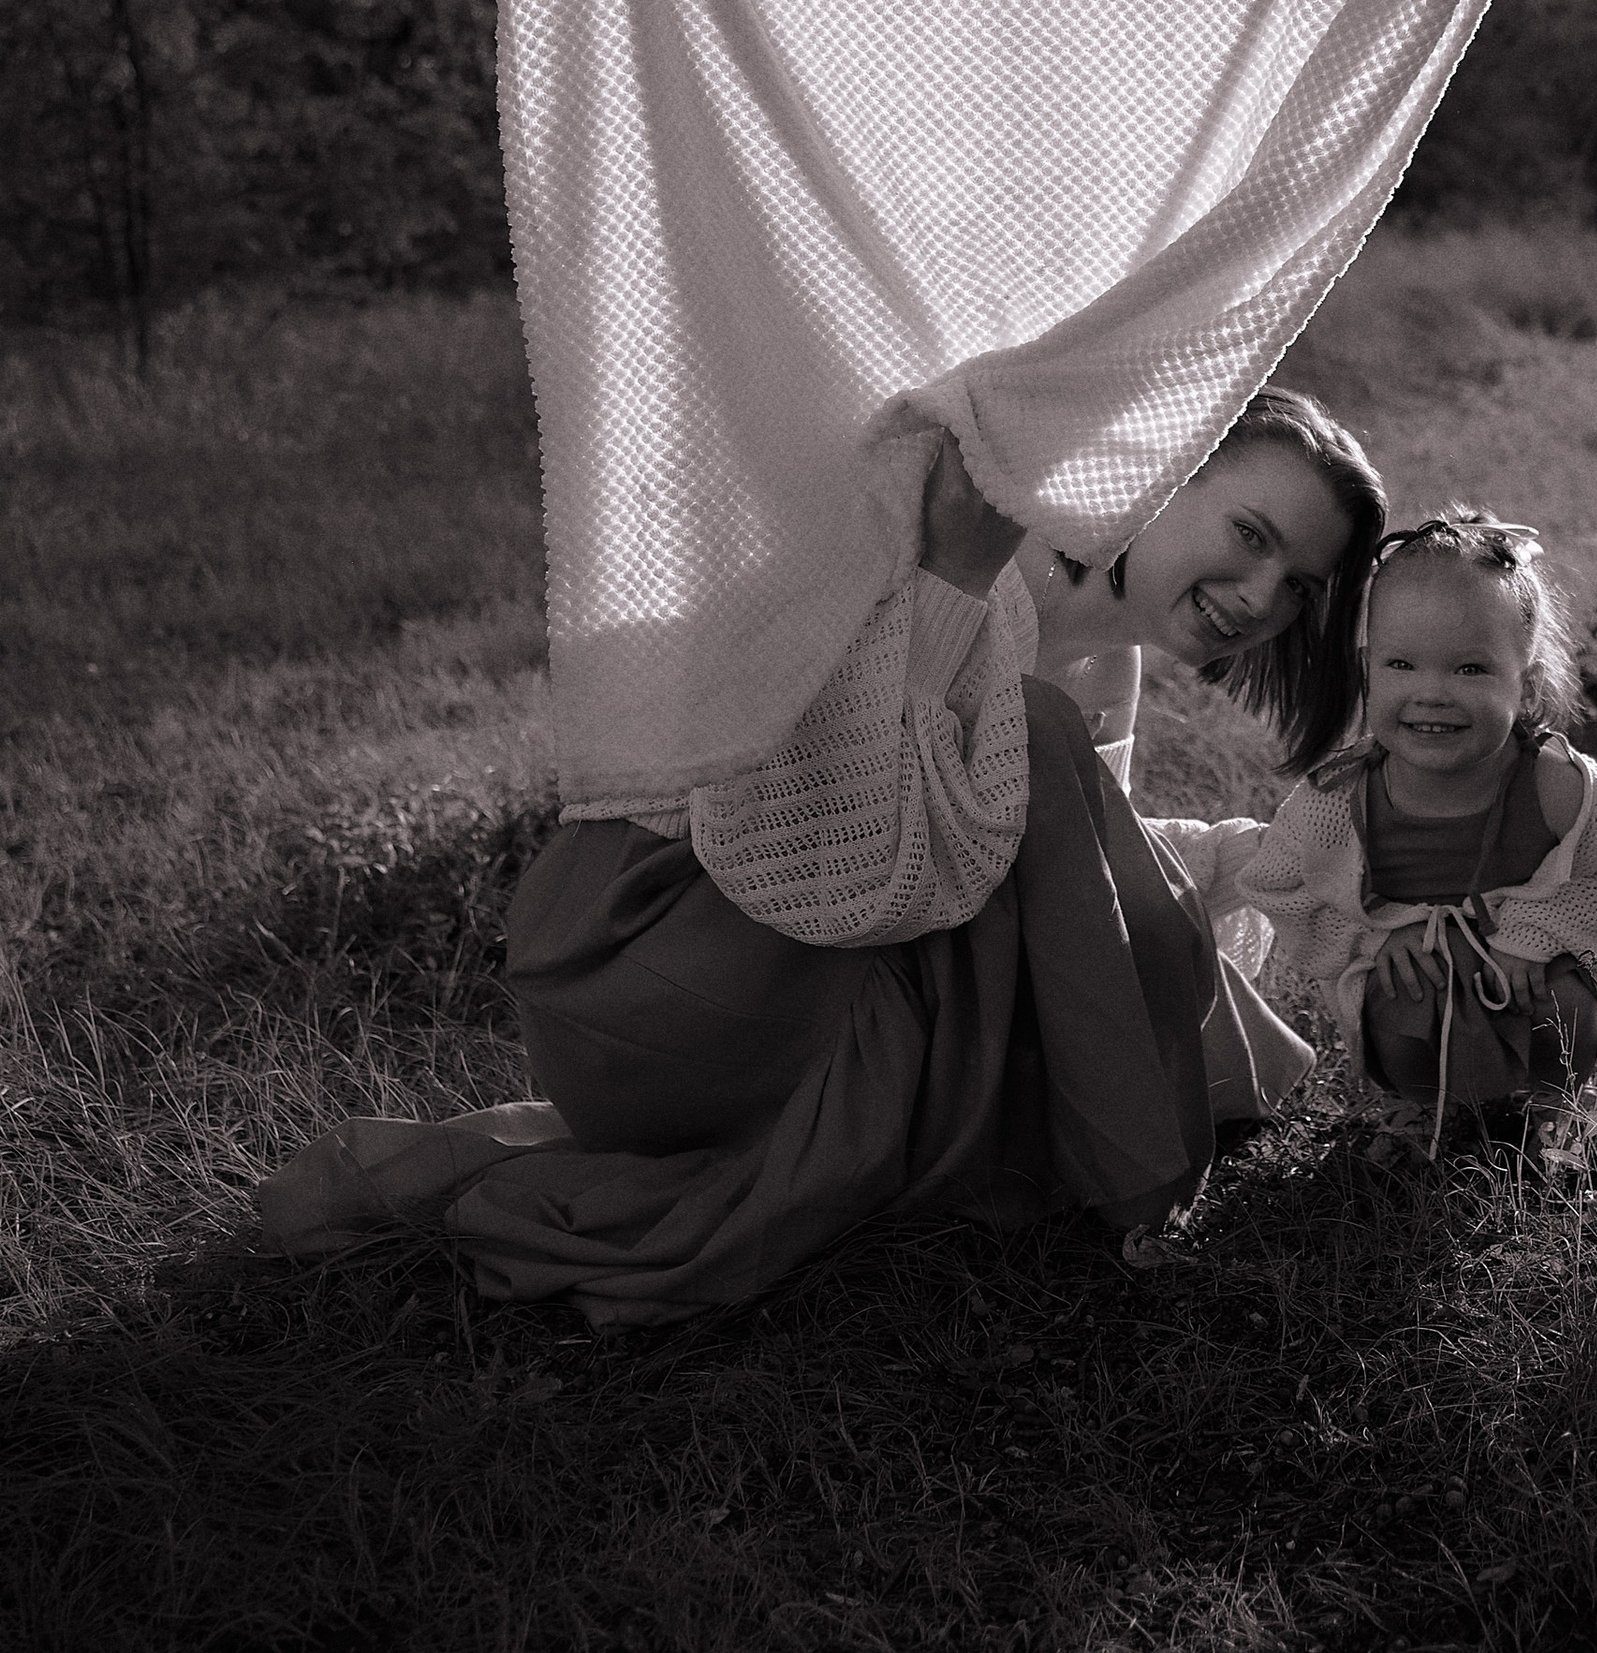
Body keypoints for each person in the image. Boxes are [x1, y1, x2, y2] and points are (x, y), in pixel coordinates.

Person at [257, 385, 1385, 1320]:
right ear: (1168, 463)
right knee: (1031, 754)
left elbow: (1069, 889)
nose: (1259, 598)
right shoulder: (960, 548)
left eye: (1298, 587)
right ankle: (1141, 1181)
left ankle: (1126, 1142)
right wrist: (944, 584)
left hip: (781, 977)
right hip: (654, 949)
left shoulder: (1102, 663)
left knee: (1042, 819)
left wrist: (1253, 857)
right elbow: (829, 849)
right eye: (1250, 535)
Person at [1238, 510, 1597, 1154]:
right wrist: (1377, 936)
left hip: (1532, 975)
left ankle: (1558, 1102)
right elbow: (1280, 889)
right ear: (1368, 668)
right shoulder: (1337, 799)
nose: (1431, 693)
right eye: (1402, 664)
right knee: (1398, 1003)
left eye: (1470, 670)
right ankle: (1418, 1104)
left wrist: (1532, 935)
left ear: (1523, 679)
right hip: (1421, 980)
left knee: (1568, 1006)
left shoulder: (1561, 788)